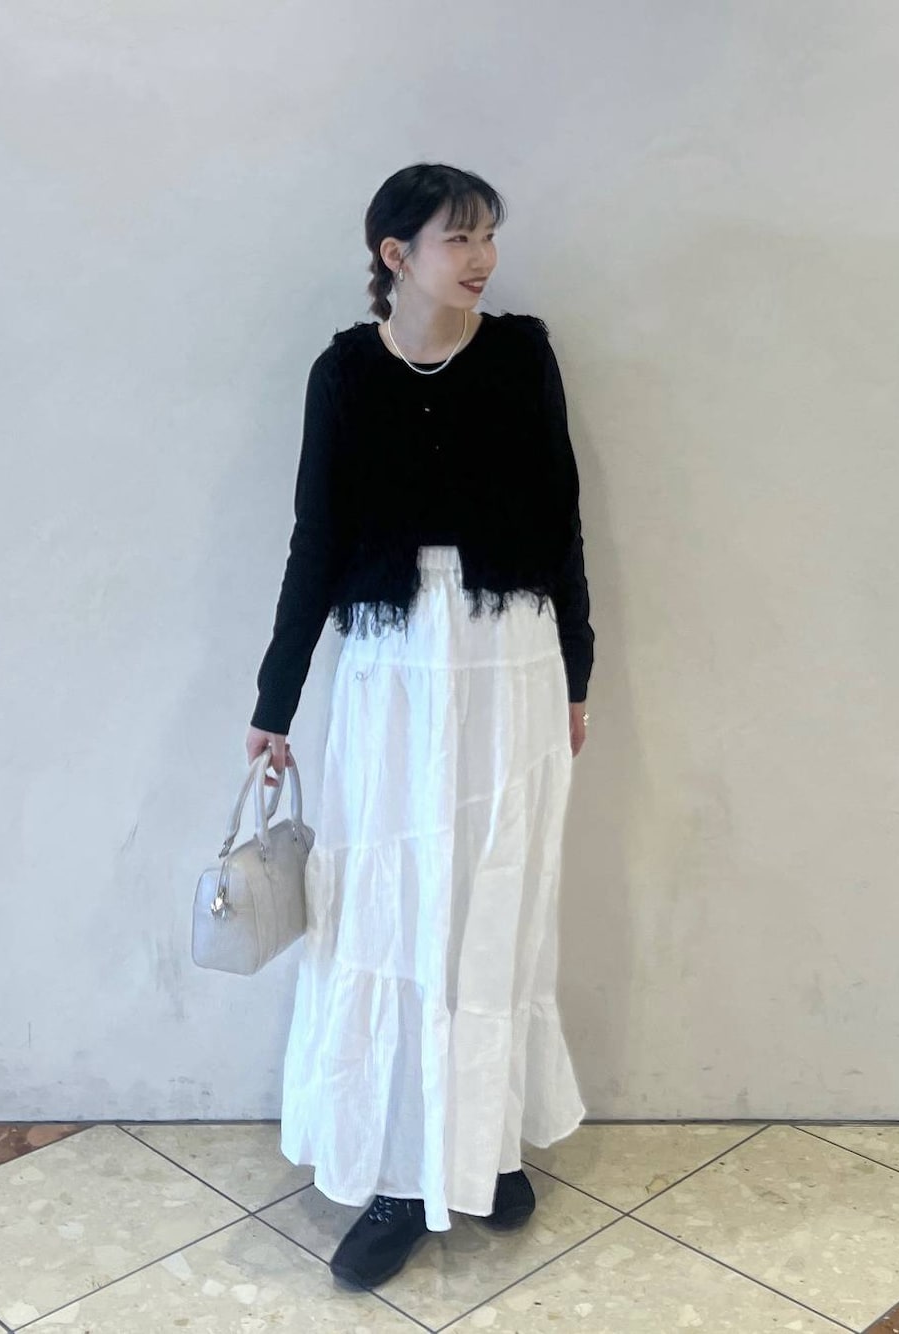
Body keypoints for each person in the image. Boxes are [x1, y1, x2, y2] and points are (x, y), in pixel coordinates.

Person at [245, 162, 594, 1290]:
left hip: (512, 651)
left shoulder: (523, 355)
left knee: (497, 897)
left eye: (488, 235)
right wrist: (274, 701)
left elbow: (561, 516)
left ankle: (485, 1147)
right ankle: (401, 1173)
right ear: (396, 254)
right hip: (391, 664)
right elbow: (314, 538)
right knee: (392, 908)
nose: (482, 257)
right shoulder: (345, 373)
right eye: (459, 238)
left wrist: (578, 671)